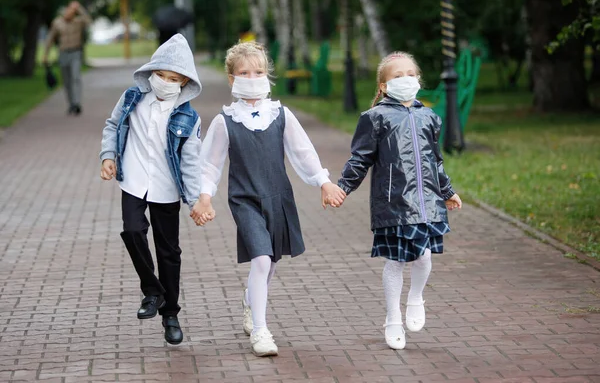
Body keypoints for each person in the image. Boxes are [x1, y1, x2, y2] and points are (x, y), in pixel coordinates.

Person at [190, 41, 346, 357]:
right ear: (232, 79)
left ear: (267, 75)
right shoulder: (226, 121)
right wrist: (203, 198)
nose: (252, 76)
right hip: (245, 199)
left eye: (258, 71)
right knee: (261, 259)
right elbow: (209, 164)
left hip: (278, 197)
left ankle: (250, 301)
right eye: (244, 72)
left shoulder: (281, 115)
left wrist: (324, 183)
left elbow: (303, 152)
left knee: (271, 261)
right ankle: (261, 331)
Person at [336, 51, 462, 350]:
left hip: (428, 202)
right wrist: (342, 187)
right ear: (383, 86)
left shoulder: (429, 117)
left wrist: (447, 191)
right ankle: (393, 318)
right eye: (397, 75)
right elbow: (360, 158)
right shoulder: (374, 117)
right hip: (393, 203)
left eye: (410, 74)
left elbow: (436, 161)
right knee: (395, 261)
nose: (405, 79)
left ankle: (416, 296)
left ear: (418, 79)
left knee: (424, 257)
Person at [99, 34, 203, 345]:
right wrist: (108, 156)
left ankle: (170, 313)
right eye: (160, 75)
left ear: (183, 81)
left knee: (168, 251)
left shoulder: (188, 117)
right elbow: (112, 124)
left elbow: (191, 160)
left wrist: (195, 199)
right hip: (133, 179)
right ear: (151, 71)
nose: (164, 82)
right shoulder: (132, 97)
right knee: (132, 230)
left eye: (173, 78)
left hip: (166, 187)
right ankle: (152, 290)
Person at [43, 1, 92, 116]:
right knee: (67, 80)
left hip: (75, 52)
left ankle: (77, 103)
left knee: (76, 77)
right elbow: (50, 38)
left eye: (72, 13)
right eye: (67, 12)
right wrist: (45, 54)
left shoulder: (78, 22)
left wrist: (79, 8)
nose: (69, 15)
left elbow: (89, 22)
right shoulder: (57, 23)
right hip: (63, 53)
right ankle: (71, 104)